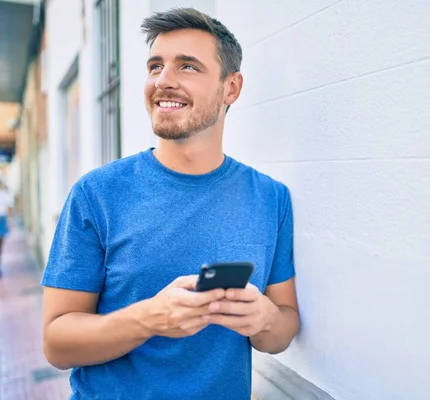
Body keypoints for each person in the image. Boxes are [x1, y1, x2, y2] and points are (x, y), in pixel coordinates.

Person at [41, 8, 300, 400]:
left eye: (188, 67)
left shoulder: (270, 198)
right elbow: (56, 344)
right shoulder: (97, 194)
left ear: (231, 88)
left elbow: (283, 326)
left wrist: (263, 319)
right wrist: (150, 318)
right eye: (155, 66)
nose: (163, 80)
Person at [0, 180, 14, 277]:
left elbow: (9, 207)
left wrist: (9, 219)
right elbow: (9, 207)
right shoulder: (4, 194)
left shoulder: (4, 194)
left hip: (2, 219)